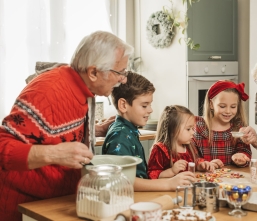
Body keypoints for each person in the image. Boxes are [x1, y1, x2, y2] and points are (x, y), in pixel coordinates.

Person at [0, 31, 133, 220]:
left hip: (55, 203)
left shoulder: (84, 88)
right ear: (93, 72)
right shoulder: (47, 93)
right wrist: (55, 153)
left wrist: (95, 130)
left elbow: (50, 131)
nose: (124, 79)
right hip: (23, 209)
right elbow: (3, 147)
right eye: (120, 73)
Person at [102, 72, 195, 191]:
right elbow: (123, 180)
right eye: (144, 106)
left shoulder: (128, 130)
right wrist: (168, 184)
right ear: (123, 105)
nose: (150, 110)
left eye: (150, 105)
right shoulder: (120, 136)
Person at [147, 105, 220, 179]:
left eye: (192, 128)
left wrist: (201, 165)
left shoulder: (189, 145)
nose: (193, 132)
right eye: (188, 129)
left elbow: (195, 161)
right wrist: (172, 171)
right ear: (172, 130)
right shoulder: (160, 149)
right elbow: (152, 175)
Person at [192, 80, 252, 167]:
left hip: (232, 178)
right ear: (211, 104)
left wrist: (241, 157)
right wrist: (202, 164)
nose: (228, 111)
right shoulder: (197, 126)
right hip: (204, 178)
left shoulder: (238, 127)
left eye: (233, 107)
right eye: (222, 106)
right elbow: (190, 156)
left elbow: (245, 150)